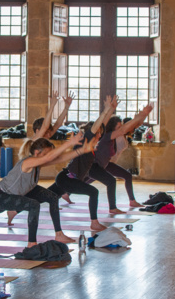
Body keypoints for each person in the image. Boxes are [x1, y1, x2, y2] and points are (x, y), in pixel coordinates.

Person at [48, 95, 117, 231]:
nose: (100, 136)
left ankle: (14, 211)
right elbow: (97, 125)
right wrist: (105, 110)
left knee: (46, 195)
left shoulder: (90, 147)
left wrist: (110, 109)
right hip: (68, 179)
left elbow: (102, 124)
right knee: (93, 192)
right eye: (98, 134)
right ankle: (94, 222)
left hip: (65, 178)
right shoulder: (85, 141)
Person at [88, 106, 153, 210]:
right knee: (121, 177)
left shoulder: (122, 135)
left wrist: (143, 115)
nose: (122, 128)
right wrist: (139, 117)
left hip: (105, 163)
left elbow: (136, 125)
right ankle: (125, 203)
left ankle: (66, 192)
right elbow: (125, 128)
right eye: (118, 127)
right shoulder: (115, 135)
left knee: (89, 179)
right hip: (103, 163)